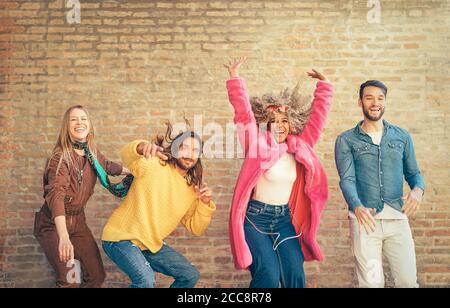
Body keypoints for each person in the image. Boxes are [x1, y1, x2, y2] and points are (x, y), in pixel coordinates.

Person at [224, 57, 334, 288]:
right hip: (256, 220)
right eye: (274, 121)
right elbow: (243, 115)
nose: (280, 125)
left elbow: (318, 120)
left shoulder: (300, 146)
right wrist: (235, 79)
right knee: (269, 276)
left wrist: (324, 86)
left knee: (295, 275)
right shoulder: (256, 145)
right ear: (266, 124)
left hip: (283, 220)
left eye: (284, 120)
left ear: (291, 123)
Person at [102, 122, 216, 288]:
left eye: (195, 151)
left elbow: (196, 228)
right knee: (145, 280)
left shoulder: (192, 190)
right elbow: (127, 154)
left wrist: (205, 204)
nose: (189, 154)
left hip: (149, 244)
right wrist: (141, 147)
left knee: (189, 275)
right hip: (121, 238)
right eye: (184, 147)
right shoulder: (154, 164)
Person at [335, 80, 425, 288]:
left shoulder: (402, 136)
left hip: (397, 219)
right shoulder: (346, 140)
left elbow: (414, 173)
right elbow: (347, 179)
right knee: (372, 284)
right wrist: (356, 206)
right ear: (360, 102)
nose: (375, 103)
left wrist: (418, 190)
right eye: (369, 98)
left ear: (385, 102)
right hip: (366, 223)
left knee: (408, 282)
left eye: (380, 98)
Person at [34, 105, 130, 287]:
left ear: (89, 124)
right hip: (53, 225)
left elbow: (108, 166)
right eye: (74, 119)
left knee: (96, 276)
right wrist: (63, 237)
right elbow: (56, 196)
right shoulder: (60, 158)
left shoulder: (91, 153)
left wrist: (133, 172)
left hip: (78, 223)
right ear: (66, 126)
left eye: (83, 119)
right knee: (71, 280)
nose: (80, 123)